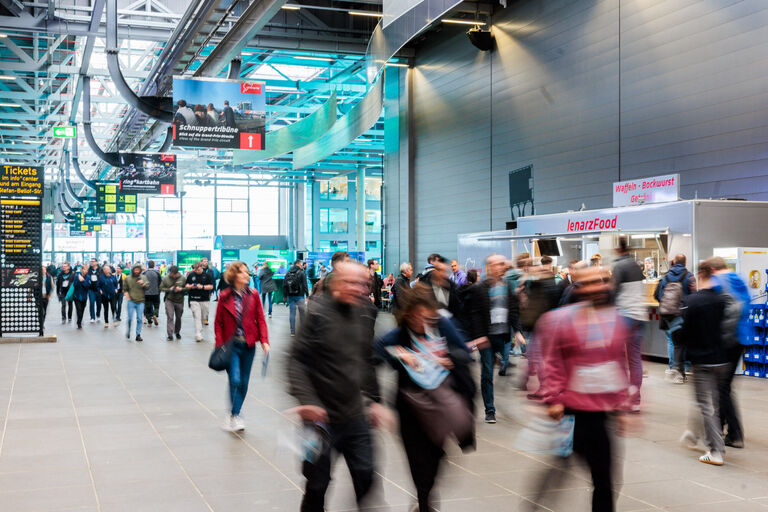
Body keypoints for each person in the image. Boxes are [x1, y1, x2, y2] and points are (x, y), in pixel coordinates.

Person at [287, 261, 389, 512]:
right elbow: (296, 360)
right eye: (350, 283)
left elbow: (365, 359)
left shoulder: (365, 312)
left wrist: (376, 401)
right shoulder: (317, 313)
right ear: (336, 284)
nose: (357, 289)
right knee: (316, 484)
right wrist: (308, 401)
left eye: (362, 284)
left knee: (366, 475)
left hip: (355, 414)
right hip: (320, 420)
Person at [538, 265, 635, 512]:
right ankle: (537, 502)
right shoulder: (560, 319)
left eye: (601, 281)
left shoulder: (619, 320)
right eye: (589, 283)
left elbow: (620, 363)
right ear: (578, 287)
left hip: (602, 411)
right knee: (561, 466)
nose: (597, 287)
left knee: (604, 478)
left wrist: (624, 406)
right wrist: (553, 398)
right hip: (571, 410)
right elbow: (552, 360)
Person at [376, 284, 477, 512]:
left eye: (424, 316)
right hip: (410, 408)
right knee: (417, 461)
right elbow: (378, 350)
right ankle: (424, 502)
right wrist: (399, 353)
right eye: (414, 317)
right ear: (406, 315)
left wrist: (448, 359)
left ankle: (426, 493)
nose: (420, 322)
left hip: (439, 407)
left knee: (434, 458)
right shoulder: (400, 333)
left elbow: (464, 354)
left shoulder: (442, 325)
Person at [677, 260, 734, 466]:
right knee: (714, 405)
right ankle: (699, 437)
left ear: (701, 274)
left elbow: (684, 331)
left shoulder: (693, 301)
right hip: (722, 359)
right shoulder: (723, 299)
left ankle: (716, 451)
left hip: (702, 360)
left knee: (705, 406)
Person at [466, 254, 524, 423]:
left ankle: (499, 360)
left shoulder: (507, 286)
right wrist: (478, 336)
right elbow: (474, 314)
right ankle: (490, 410)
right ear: (489, 267)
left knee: (504, 365)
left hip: (503, 335)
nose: (502, 266)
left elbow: (513, 310)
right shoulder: (480, 288)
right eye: (498, 264)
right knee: (487, 373)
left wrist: (517, 331)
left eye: (502, 264)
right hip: (486, 338)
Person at [215, 261, 270, 432]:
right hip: (231, 346)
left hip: (248, 345)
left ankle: (234, 414)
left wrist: (264, 341)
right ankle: (234, 415)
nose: (247, 275)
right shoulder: (224, 296)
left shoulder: (254, 294)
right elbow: (218, 323)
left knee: (244, 382)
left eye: (247, 272)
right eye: (242, 272)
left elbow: (260, 319)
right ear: (234, 276)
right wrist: (220, 345)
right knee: (235, 379)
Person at [710, 256, 750, 449]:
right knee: (724, 386)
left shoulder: (718, 282)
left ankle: (735, 434)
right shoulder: (739, 279)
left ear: (712, 270)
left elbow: (716, 312)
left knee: (722, 388)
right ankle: (719, 426)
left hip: (726, 340)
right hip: (741, 338)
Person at [612, 236, 648, 411]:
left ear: (618, 249)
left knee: (617, 357)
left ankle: (621, 397)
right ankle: (635, 401)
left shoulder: (619, 266)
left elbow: (613, 292)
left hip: (624, 315)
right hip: (640, 316)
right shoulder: (636, 265)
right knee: (634, 359)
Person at [654, 254, 696, 383]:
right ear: (685, 263)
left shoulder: (665, 277)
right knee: (684, 342)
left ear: (674, 262)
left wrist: (668, 305)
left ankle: (673, 367)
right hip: (684, 313)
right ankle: (684, 367)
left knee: (672, 341)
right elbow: (694, 296)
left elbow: (658, 295)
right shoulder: (689, 276)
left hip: (669, 314)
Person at [186, 262, 214, 342]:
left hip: (204, 299)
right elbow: (186, 285)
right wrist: (191, 286)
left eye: (198, 270)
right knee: (197, 316)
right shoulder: (191, 275)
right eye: (195, 270)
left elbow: (211, 286)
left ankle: (200, 329)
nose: (197, 271)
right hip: (194, 299)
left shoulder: (207, 276)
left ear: (202, 268)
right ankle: (198, 334)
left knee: (204, 316)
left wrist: (202, 287)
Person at [123, 264, 149, 342]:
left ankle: (138, 334)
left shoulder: (143, 277)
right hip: (131, 301)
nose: (137, 271)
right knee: (130, 318)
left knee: (139, 318)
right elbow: (125, 289)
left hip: (141, 301)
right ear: (133, 270)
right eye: (135, 270)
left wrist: (143, 284)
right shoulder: (128, 278)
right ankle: (129, 330)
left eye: (138, 270)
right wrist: (127, 296)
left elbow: (148, 287)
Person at [160, 265, 186, 341]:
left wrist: (181, 289)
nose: (173, 275)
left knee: (178, 317)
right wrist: (169, 289)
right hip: (169, 300)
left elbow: (187, 288)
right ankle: (170, 335)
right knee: (170, 317)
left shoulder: (183, 278)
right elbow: (161, 288)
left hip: (179, 300)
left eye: (175, 274)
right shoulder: (166, 278)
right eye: (172, 273)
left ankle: (177, 332)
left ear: (177, 272)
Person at [284, 260, 309, 336]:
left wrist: (285, 295)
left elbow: (284, 285)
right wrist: (307, 295)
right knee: (302, 313)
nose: (301, 265)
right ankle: (303, 331)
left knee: (292, 314)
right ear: (297, 264)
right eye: (300, 264)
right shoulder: (301, 272)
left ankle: (292, 332)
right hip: (300, 295)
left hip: (290, 295)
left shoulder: (288, 273)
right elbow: (305, 284)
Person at [142, 260, 162, 328]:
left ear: (148, 265)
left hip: (147, 293)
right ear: (154, 265)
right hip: (156, 293)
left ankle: (149, 322)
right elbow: (160, 282)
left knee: (148, 308)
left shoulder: (144, 273)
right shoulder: (157, 272)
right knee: (156, 306)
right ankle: (155, 314)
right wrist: (158, 290)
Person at [201, 257, 216, 322]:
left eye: (207, 261)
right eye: (204, 261)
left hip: (208, 291)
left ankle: (205, 319)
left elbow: (213, 280)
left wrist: (213, 290)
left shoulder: (210, 271)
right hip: (199, 291)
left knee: (206, 306)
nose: (206, 262)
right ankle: (200, 318)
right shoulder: (199, 270)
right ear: (201, 262)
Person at [87, 258, 102, 323]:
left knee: (99, 304)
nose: (92, 262)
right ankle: (92, 317)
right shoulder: (89, 270)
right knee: (92, 302)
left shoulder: (100, 270)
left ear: (96, 262)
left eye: (93, 261)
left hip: (98, 289)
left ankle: (98, 315)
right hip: (91, 289)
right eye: (91, 261)